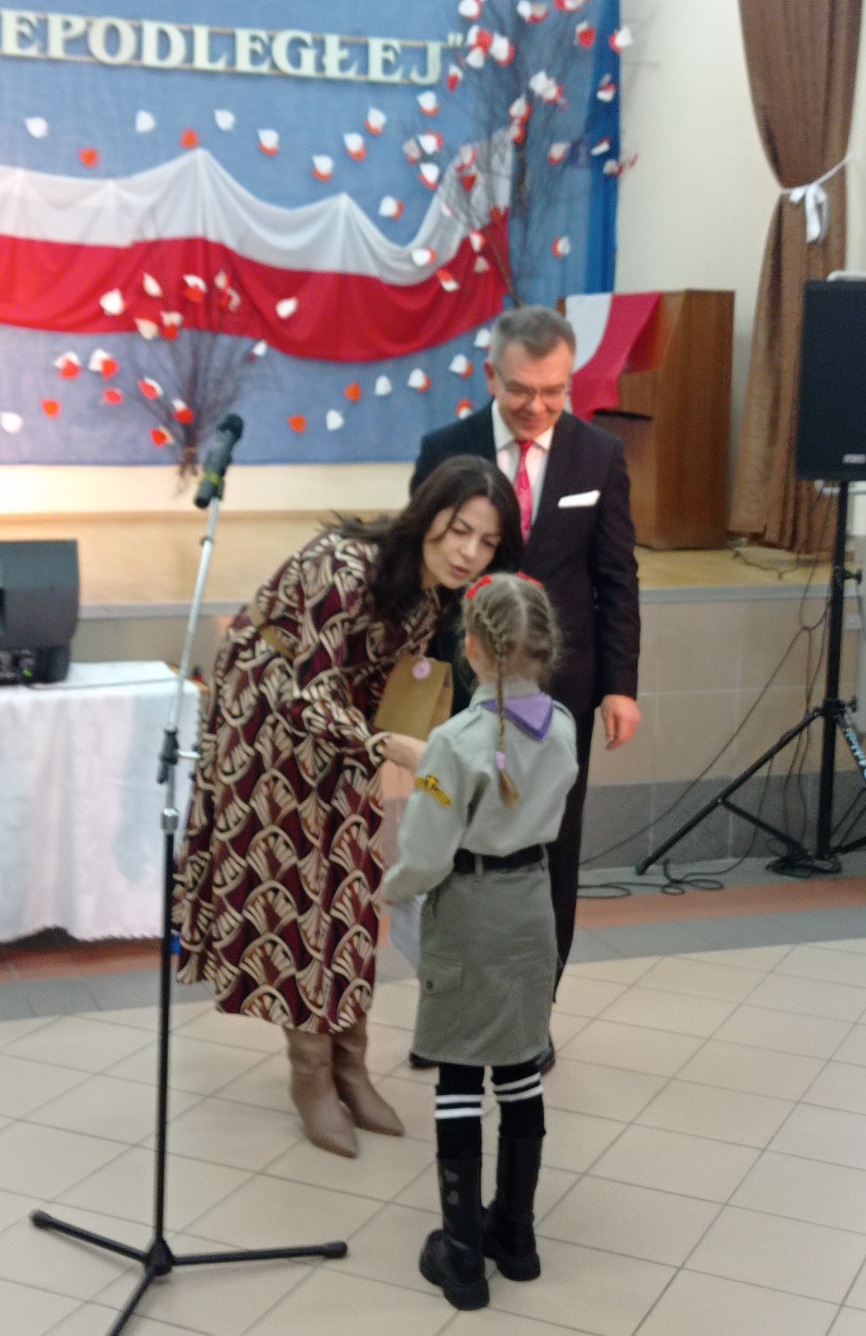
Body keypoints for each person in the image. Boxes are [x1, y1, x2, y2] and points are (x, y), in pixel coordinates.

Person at [173, 456, 523, 1159]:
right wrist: (396, 748)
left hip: (343, 731)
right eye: (459, 530)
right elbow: (309, 695)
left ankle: (350, 1064)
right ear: (428, 515)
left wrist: (428, 754)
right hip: (267, 721)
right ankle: (309, 1072)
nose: (468, 552)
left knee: (350, 887)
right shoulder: (345, 565)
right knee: (297, 894)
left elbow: (392, 691)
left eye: (487, 542)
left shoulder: (431, 596)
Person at [411, 305, 641, 1071]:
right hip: (463, 686)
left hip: (561, 692)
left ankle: (530, 1020)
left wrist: (621, 686)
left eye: (554, 390)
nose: (536, 406)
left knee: (551, 854)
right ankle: (449, 1015)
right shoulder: (445, 450)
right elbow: (422, 575)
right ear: (490, 376)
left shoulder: (599, 456)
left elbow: (617, 578)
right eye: (520, 389)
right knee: (451, 850)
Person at [384, 571, 579, 1311]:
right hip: (531, 906)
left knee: (461, 1074)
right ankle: (516, 1238)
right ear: (545, 649)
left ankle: (462, 1256)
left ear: (471, 648)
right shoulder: (563, 726)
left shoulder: (455, 743)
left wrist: (391, 888)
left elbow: (428, 852)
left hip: (468, 910)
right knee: (521, 1065)